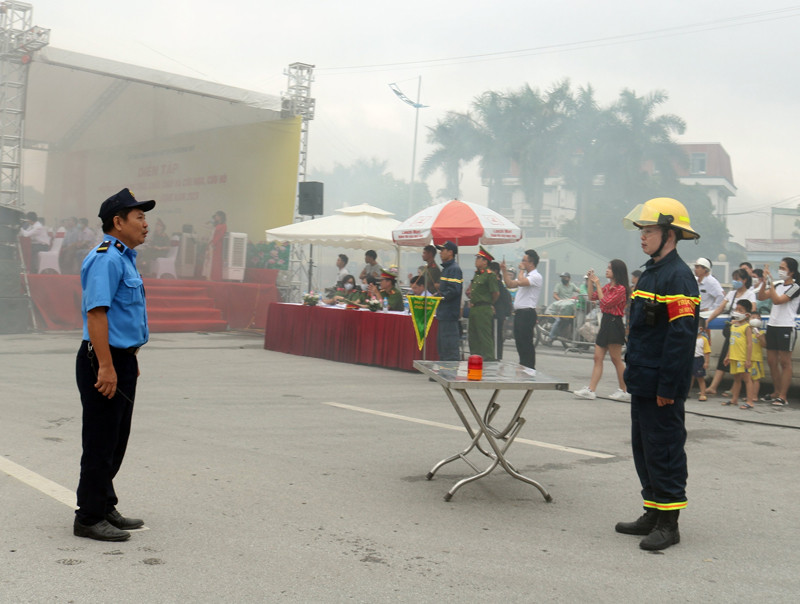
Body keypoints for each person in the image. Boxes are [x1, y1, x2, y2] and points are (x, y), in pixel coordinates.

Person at [616, 197, 700, 551]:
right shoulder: (652, 271)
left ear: (670, 234)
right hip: (643, 378)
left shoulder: (679, 276)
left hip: (662, 383)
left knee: (664, 450)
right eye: (642, 231)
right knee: (644, 448)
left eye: (648, 230)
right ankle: (652, 510)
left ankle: (669, 523)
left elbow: (681, 338)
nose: (642, 236)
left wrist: (668, 385)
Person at [74, 188, 155, 542]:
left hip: (120, 358)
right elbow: (96, 314)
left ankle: (105, 504)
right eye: (139, 217)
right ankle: (89, 517)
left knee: (115, 439)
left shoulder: (125, 258)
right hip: (102, 359)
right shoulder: (106, 258)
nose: (145, 224)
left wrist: (128, 359)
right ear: (118, 222)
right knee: (101, 440)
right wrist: (106, 366)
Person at [574, 259, 631, 401]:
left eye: (610, 268)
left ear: (616, 271)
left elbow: (605, 302)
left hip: (614, 323)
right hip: (605, 322)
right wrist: (590, 281)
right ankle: (591, 390)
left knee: (616, 359)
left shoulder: (621, 289)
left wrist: (598, 284)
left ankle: (624, 390)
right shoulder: (607, 286)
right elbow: (591, 296)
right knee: (597, 357)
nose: (607, 270)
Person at [704, 269, 756, 397]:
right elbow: (720, 308)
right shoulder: (732, 294)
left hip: (741, 330)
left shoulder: (750, 294)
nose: (735, 282)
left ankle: (734, 389)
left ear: (744, 280)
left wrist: (742, 321)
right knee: (724, 357)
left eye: (738, 279)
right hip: (732, 330)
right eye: (734, 279)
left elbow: (752, 310)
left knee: (738, 359)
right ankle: (713, 387)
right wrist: (709, 320)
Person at [757, 257, 800, 406]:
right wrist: (764, 282)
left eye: (783, 268)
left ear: (792, 271)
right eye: (780, 267)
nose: (780, 271)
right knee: (772, 361)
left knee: (785, 362)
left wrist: (771, 282)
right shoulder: (779, 284)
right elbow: (761, 296)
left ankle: (783, 395)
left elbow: (778, 300)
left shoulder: (795, 287)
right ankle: (776, 391)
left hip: (786, 326)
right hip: (773, 325)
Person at [501, 249, 542, 372]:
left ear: (531, 263)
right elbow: (510, 284)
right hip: (519, 313)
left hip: (527, 313)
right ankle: (523, 365)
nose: (522, 262)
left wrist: (521, 270)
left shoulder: (536, 276)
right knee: (519, 341)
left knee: (526, 342)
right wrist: (504, 270)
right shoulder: (526, 276)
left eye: (524, 261)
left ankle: (529, 368)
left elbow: (522, 282)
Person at [722, 299, 756, 409]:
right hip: (733, 357)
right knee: (736, 379)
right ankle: (734, 399)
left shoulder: (747, 327)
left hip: (742, 358)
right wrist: (728, 356)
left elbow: (750, 344)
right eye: (736, 309)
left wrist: (748, 360)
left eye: (740, 310)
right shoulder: (733, 326)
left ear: (747, 314)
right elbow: (731, 343)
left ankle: (750, 401)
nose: (737, 312)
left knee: (747, 379)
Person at [467, 246, 499, 361]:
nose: (476, 260)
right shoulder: (477, 274)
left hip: (484, 308)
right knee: (473, 336)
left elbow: (495, 293)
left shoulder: (490, 275)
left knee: (484, 335)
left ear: (485, 261)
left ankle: (489, 358)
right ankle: (475, 358)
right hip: (474, 308)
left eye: (479, 258)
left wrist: (489, 302)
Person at [435, 241, 463, 361]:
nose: (440, 253)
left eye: (443, 250)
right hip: (443, 313)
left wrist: (440, 296)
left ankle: (449, 374)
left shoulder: (454, 269)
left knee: (449, 346)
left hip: (449, 314)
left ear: (450, 252)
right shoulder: (447, 268)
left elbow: (454, 290)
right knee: (442, 345)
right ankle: (443, 373)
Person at [489, 260, 512, 360]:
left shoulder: (497, 283)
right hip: (497, 315)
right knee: (495, 337)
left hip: (497, 315)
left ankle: (497, 357)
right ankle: (496, 356)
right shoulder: (496, 282)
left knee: (496, 337)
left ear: (495, 271)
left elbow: (499, 297)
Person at [549, 272, 580, 341]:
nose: (563, 279)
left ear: (569, 278)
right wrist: (561, 301)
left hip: (569, 307)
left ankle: (571, 336)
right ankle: (551, 337)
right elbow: (555, 295)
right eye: (562, 277)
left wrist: (585, 294)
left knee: (574, 321)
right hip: (560, 307)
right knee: (558, 321)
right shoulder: (558, 285)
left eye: (565, 277)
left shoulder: (572, 285)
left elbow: (579, 291)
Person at [203, 210, 227, 281]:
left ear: (220, 217)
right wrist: (210, 221)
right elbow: (203, 225)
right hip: (211, 244)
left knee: (214, 261)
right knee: (208, 260)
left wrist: (214, 243)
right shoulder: (215, 225)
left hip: (216, 245)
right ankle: (208, 276)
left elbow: (220, 235)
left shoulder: (223, 225)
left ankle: (213, 277)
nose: (215, 217)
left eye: (216, 215)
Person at [693, 318, 711, 401]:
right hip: (691, 360)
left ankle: (703, 394)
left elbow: (707, 352)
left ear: (701, 329)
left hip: (699, 360)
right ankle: (686, 392)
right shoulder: (691, 338)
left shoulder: (704, 340)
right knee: (690, 378)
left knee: (700, 378)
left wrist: (706, 362)